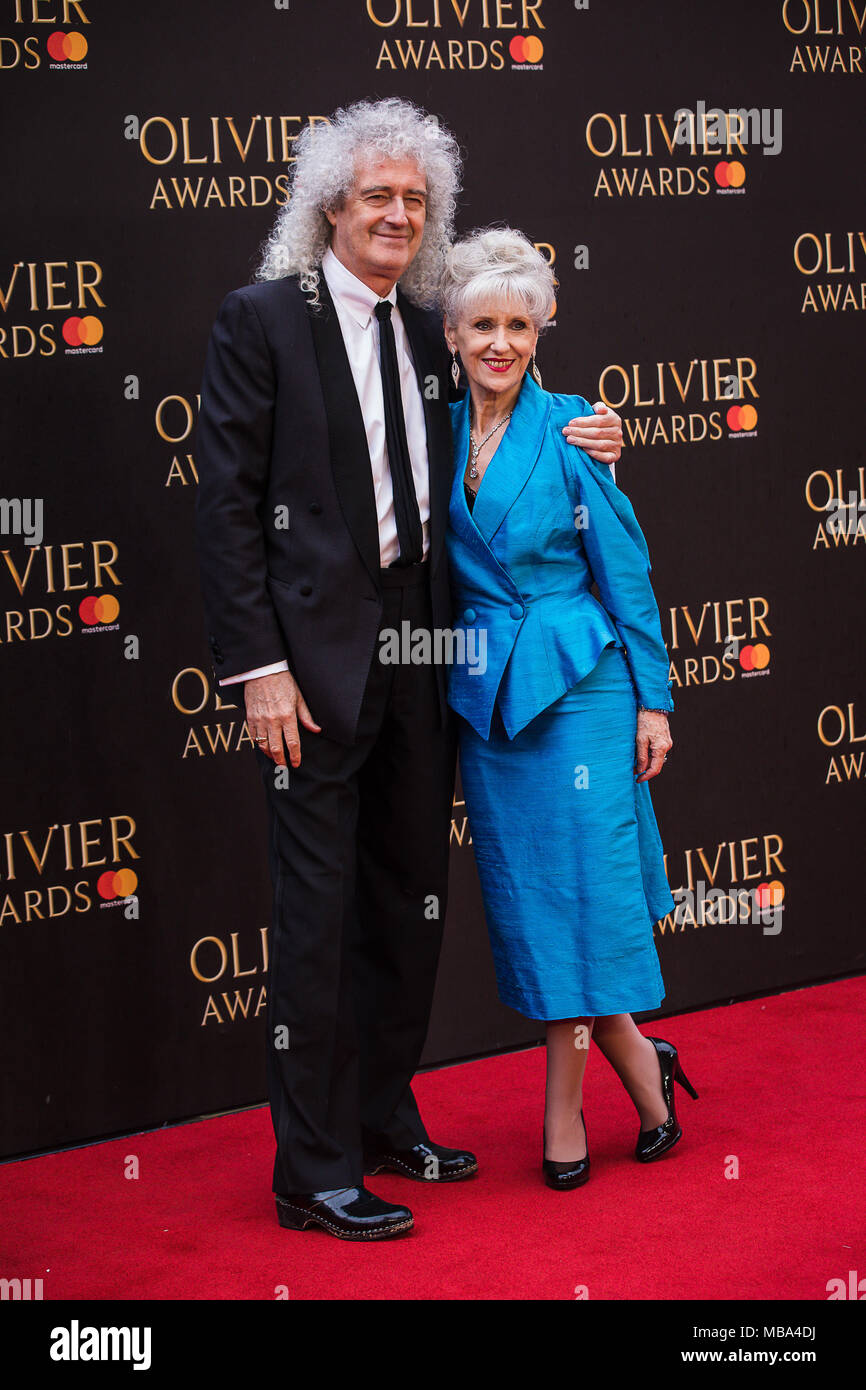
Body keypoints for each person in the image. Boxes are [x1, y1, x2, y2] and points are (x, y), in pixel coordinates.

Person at [194, 99, 625, 1241]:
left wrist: (591, 430)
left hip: (424, 648)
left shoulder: (425, 325)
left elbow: (509, 398)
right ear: (328, 204)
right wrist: (256, 669)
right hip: (308, 661)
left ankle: (385, 1119)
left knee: (406, 906)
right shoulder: (263, 320)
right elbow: (227, 509)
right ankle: (312, 1169)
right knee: (317, 917)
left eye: (414, 201)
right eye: (376, 195)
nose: (396, 214)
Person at [442, 227, 698, 1191]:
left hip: (584, 688)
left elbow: (626, 578)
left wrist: (654, 705)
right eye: (482, 325)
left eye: (519, 323)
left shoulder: (578, 427)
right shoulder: (431, 435)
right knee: (536, 902)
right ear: (453, 334)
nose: (500, 342)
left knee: (586, 897)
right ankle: (647, 1067)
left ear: (542, 330)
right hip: (490, 703)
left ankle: (561, 1111)